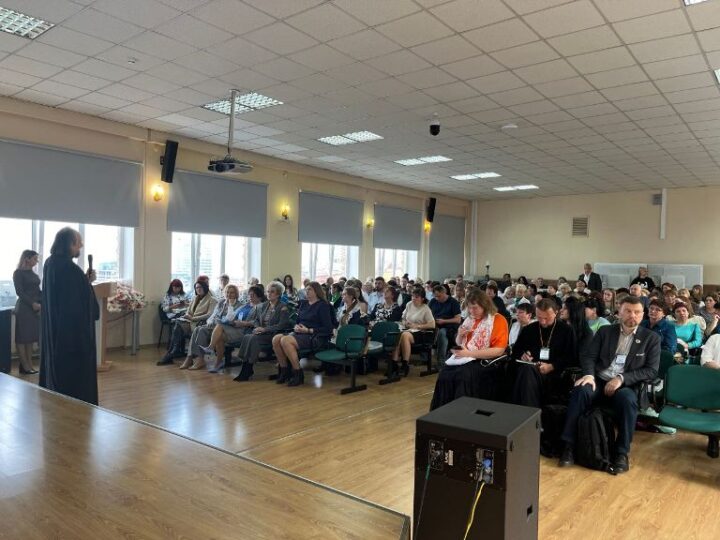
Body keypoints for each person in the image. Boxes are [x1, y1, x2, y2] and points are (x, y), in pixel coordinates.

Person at [559, 296, 660, 474]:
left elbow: (651, 371)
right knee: (581, 390)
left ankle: (621, 453)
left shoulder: (651, 338)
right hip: (599, 379)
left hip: (626, 385)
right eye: (628, 311)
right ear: (619, 312)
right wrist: (589, 375)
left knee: (628, 400)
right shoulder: (605, 331)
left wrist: (621, 378)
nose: (632, 315)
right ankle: (569, 445)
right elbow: (589, 356)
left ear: (642, 314)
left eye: (637, 312)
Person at [39, 228, 100, 405]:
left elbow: (66, 296)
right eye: (79, 242)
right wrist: (88, 284)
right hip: (71, 339)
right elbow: (81, 306)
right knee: (74, 386)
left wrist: (84, 281)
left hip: (56, 333)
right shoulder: (70, 269)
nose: (81, 246)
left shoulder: (50, 263)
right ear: (70, 243)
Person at [429, 289, 509, 410]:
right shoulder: (469, 319)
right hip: (466, 356)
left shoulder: (498, 320)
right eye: (469, 308)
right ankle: (443, 412)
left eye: (475, 308)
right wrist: (460, 335)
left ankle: (461, 412)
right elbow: (459, 342)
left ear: (485, 305)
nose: (471, 311)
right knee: (445, 373)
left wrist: (469, 353)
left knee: (462, 375)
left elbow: (499, 350)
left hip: (485, 360)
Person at [511, 298, 576, 409]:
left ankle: (526, 413)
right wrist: (523, 355)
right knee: (526, 371)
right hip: (531, 370)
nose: (543, 322)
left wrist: (552, 366)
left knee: (526, 374)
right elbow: (516, 350)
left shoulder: (566, 330)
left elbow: (571, 357)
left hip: (555, 374)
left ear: (555, 313)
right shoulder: (529, 329)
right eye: (539, 318)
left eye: (546, 318)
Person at [272, 281, 334, 387]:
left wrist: (308, 330)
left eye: (310, 289)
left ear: (316, 291)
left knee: (285, 340)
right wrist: (296, 326)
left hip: (314, 336)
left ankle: (298, 372)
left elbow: (328, 328)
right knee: (276, 339)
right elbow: (298, 321)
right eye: (306, 289)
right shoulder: (304, 304)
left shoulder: (323, 305)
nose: (307, 291)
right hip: (300, 333)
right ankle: (284, 370)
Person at [234, 281, 291, 381]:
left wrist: (264, 329)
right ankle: (246, 366)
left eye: (272, 292)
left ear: (278, 294)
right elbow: (256, 320)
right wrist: (257, 328)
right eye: (268, 291)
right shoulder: (265, 305)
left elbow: (282, 325)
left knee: (253, 338)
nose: (269, 294)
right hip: (261, 333)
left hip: (274, 334)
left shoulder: (283, 307)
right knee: (248, 336)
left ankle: (247, 368)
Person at [180, 284, 242, 371]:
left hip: (228, 328)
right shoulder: (221, 302)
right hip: (216, 326)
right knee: (199, 329)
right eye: (227, 292)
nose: (229, 295)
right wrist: (209, 321)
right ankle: (192, 358)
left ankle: (205, 353)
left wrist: (230, 305)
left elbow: (231, 319)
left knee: (205, 329)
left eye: (232, 293)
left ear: (236, 294)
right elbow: (213, 315)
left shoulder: (239, 305)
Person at [157, 280, 217, 365]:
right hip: (190, 321)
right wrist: (187, 315)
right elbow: (188, 310)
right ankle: (172, 352)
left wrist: (193, 318)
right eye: (196, 288)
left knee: (178, 325)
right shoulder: (195, 298)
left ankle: (173, 352)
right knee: (178, 323)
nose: (198, 289)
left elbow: (209, 315)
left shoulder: (212, 300)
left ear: (205, 288)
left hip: (201, 323)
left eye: (200, 287)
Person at [392, 286, 436, 377]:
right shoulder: (409, 304)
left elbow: (432, 325)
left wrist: (417, 326)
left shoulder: (426, 309)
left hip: (422, 333)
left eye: (416, 297)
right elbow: (403, 318)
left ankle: (405, 364)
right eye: (413, 296)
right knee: (398, 335)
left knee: (404, 335)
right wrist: (405, 323)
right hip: (409, 330)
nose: (413, 298)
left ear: (422, 299)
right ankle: (394, 364)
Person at [13, 250, 41, 374]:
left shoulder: (33, 273)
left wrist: (43, 300)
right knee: (22, 337)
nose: (37, 261)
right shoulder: (18, 273)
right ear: (27, 259)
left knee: (29, 338)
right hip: (24, 307)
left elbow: (37, 290)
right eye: (35, 258)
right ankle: (24, 365)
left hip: (34, 308)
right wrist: (32, 303)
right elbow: (19, 292)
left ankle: (29, 365)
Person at [429, 284, 462, 366]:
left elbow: (458, 319)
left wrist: (444, 321)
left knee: (442, 333)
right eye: (435, 296)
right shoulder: (433, 301)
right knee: (425, 332)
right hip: (435, 324)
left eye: (439, 296)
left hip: (449, 325)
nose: (437, 298)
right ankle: (426, 357)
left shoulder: (453, 302)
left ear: (444, 293)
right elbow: (428, 314)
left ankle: (441, 361)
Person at [560, 296, 593, 367]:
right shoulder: (560, 327)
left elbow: (582, 357)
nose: (561, 310)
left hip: (573, 367)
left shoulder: (586, 332)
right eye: (562, 308)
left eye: (565, 308)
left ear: (573, 311)